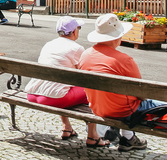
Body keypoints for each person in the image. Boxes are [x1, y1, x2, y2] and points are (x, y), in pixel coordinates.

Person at [79, 13, 163, 152]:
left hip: (97, 107)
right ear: (117, 37)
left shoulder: (85, 55)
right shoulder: (124, 60)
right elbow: (141, 93)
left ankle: (129, 138)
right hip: (122, 111)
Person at [25, 16, 108, 147]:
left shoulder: (49, 44)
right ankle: (93, 136)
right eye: (78, 28)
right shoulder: (76, 48)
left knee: (60, 85)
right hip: (53, 98)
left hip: (33, 93)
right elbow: (85, 74)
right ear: (74, 31)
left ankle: (66, 127)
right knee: (93, 89)